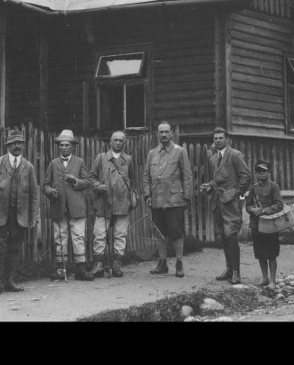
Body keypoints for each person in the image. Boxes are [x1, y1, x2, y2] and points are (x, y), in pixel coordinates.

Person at [0, 128, 40, 294]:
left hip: (19, 215)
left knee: (14, 248)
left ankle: (9, 280)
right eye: (13, 143)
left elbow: (34, 194)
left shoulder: (28, 167)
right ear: (7, 145)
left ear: (24, 145)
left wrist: (34, 215)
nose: (17, 146)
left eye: (20, 143)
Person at [142, 121, 193, 278]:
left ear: (172, 133)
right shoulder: (152, 153)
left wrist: (186, 197)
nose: (163, 135)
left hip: (174, 199)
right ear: (157, 134)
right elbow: (146, 176)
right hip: (157, 199)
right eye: (161, 132)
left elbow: (188, 175)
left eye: (166, 132)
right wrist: (147, 195)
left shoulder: (179, 151)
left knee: (177, 232)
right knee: (160, 232)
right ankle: (162, 263)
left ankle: (179, 263)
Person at [201, 127, 251, 285]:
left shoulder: (235, 155)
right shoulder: (214, 158)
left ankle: (236, 272)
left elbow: (246, 176)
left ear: (227, 139)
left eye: (221, 138)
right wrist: (209, 185)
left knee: (231, 235)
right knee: (223, 234)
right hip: (218, 200)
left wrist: (236, 193)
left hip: (230, 202)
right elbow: (217, 180)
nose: (217, 141)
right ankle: (229, 268)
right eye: (215, 138)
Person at [42, 129, 94, 281]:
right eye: (61, 145)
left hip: (76, 206)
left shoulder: (79, 162)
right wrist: (50, 191)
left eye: (67, 145)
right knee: (60, 237)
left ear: (73, 146)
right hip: (59, 206)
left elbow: (88, 182)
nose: (63, 148)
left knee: (78, 236)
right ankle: (61, 269)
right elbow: (45, 185)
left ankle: (80, 269)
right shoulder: (53, 163)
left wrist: (75, 181)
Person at [89, 130, 136, 278]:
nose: (117, 142)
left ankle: (117, 264)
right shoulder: (101, 158)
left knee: (120, 234)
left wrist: (130, 196)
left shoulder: (128, 159)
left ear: (124, 143)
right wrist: (97, 186)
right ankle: (98, 265)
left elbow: (132, 180)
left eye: (120, 140)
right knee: (99, 233)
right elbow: (91, 176)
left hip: (122, 203)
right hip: (104, 202)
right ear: (110, 142)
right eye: (115, 140)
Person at [245, 160, 284, 290]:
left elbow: (279, 204)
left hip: (270, 224)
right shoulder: (253, 188)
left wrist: (265, 210)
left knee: (271, 253)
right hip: (256, 224)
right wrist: (252, 209)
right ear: (256, 173)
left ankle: (273, 280)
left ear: (269, 172)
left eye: (264, 171)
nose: (261, 174)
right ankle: (264, 277)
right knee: (260, 253)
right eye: (258, 172)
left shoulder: (274, 186)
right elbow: (248, 205)